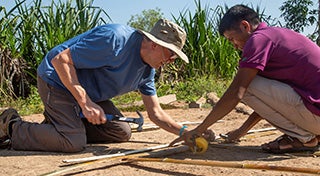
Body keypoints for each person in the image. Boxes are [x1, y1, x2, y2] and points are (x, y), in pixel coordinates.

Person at [0, 19, 191, 152]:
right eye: (171, 55)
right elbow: (61, 60)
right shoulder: (115, 40)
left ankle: (61, 125)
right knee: (72, 142)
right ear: (155, 44)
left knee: (121, 132)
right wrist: (85, 103)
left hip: (89, 93)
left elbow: (156, 113)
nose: (171, 61)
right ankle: (11, 125)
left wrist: (185, 132)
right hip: (57, 80)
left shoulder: (147, 71)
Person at [170, 4, 320, 154]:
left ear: (244, 26)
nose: (234, 46)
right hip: (314, 113)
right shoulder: (274, 35)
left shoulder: (258, 40)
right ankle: (307, 135)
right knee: (251, 84)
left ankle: (304, 138)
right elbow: (270, 103)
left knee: (246, 85)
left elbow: (238, 91)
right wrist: (242, 131)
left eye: (232, 39)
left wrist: (198, 130)